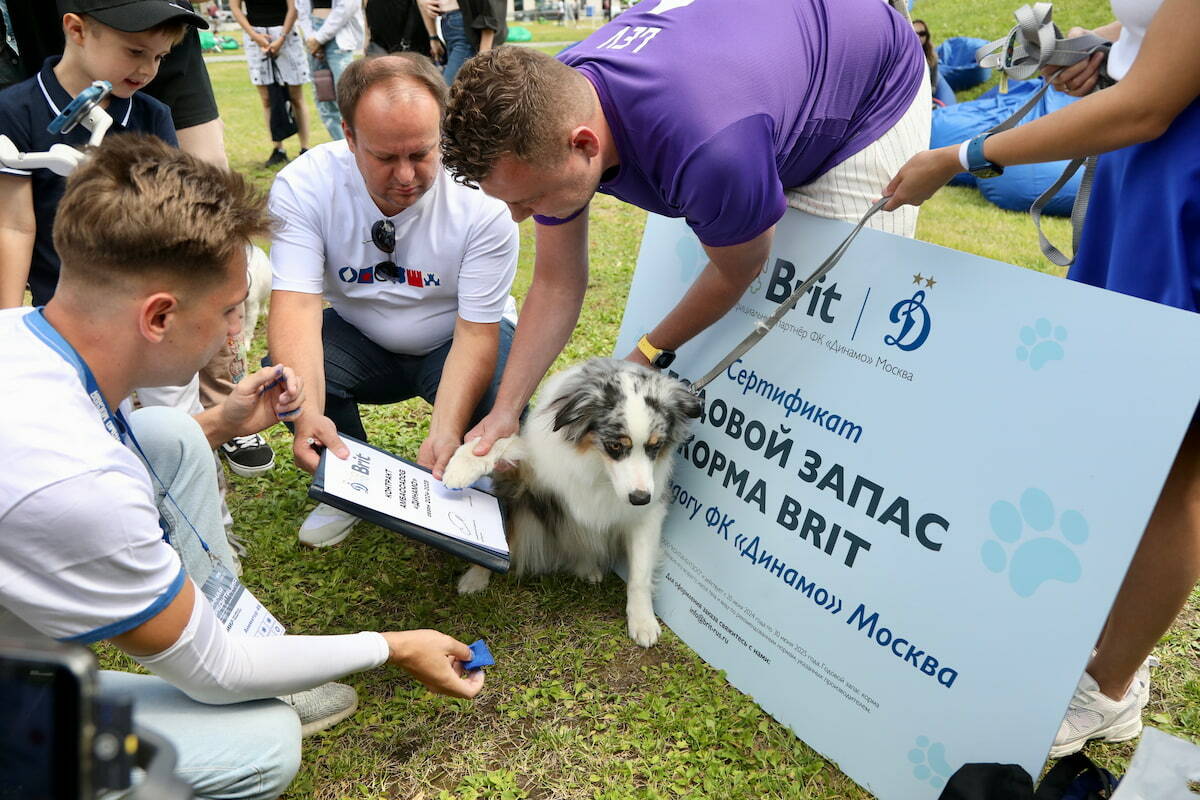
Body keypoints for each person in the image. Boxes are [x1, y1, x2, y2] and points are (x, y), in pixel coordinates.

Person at [0, 133, 485, 800]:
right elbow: (217, 670)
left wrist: (220, 424)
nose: (238, 334)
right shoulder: (78, 487)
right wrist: (392, 645)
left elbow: (97, 453)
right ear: (160, 316)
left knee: (168, 434)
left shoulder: (22, 335)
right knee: (259, 746)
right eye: (230, 312)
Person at [882, 0, 1199, 758]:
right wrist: (1108, 46)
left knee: (1176, 460)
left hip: (1177, 177)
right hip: (1143, 172)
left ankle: (1113, 687)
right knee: (1125, 435)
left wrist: (962, 155)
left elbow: (1152, 104)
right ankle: (1093, 636)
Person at [440, 0, 929, 459]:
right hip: (752, 87)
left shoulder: (709, 149)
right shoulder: (555, 103)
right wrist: (505, 412)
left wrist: (642, 355)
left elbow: (739, 270)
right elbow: (556, 280)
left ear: (585, 145)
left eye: (528, 199)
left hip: (866, 86)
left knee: (822, 330)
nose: (520, 217)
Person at [267, 54, 518, 548]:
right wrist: (308, 410)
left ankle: (476, 484)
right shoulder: (305, 185)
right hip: (362, 339)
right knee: (290, 369)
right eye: (385, 157)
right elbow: (295, 306)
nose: (406, 175)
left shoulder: (482, 198)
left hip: (453, 341)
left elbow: (475, 331)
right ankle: (344, 479)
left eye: (422, 153)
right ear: (349, 135)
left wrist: (445, 430)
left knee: (503, 400)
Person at [0, 0, 196, 310]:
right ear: (77, 30)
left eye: (160, 57)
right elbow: (14, 226)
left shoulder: (153, 116)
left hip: (139, 310)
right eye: (135, 52)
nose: (148, 70)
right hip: (58, 312)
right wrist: (7, 325)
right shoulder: (15, 111)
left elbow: (171, 220)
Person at [229, 0, 313, 167]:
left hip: (285, 34)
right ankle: (278, 149)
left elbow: (293, 7)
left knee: (296, 96)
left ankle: (305, 148)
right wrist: (254, 36)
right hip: (255, 36)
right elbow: (235, 7)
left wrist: (281, 37)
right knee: (267, 98)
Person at [297, 0, 363, 140]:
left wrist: (319, 39)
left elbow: (347, 6)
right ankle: (341, 145)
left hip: (338, 36)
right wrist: (311, 39)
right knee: (324, 98)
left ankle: (358, 146)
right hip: (312, 33)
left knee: (346, 98)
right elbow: (302, 9)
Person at [415, 0, 506, 83]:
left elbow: (490, 9)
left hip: (467, 27)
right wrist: (433, 37)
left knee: (446, 89)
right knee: (455, 89)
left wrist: (483, 54)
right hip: (448, 23)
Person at [364, 0, 432, 57]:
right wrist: (367, 35)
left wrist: (406, 40)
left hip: (409, 43)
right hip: (378, 42)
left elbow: (420, 6)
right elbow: (366, 5)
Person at [911, 18, 939, 100]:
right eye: (915, 33)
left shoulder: (932, 57)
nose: (919, 37)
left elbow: (933, 85)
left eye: (922, 33)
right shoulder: (904, 55)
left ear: (927, 36)